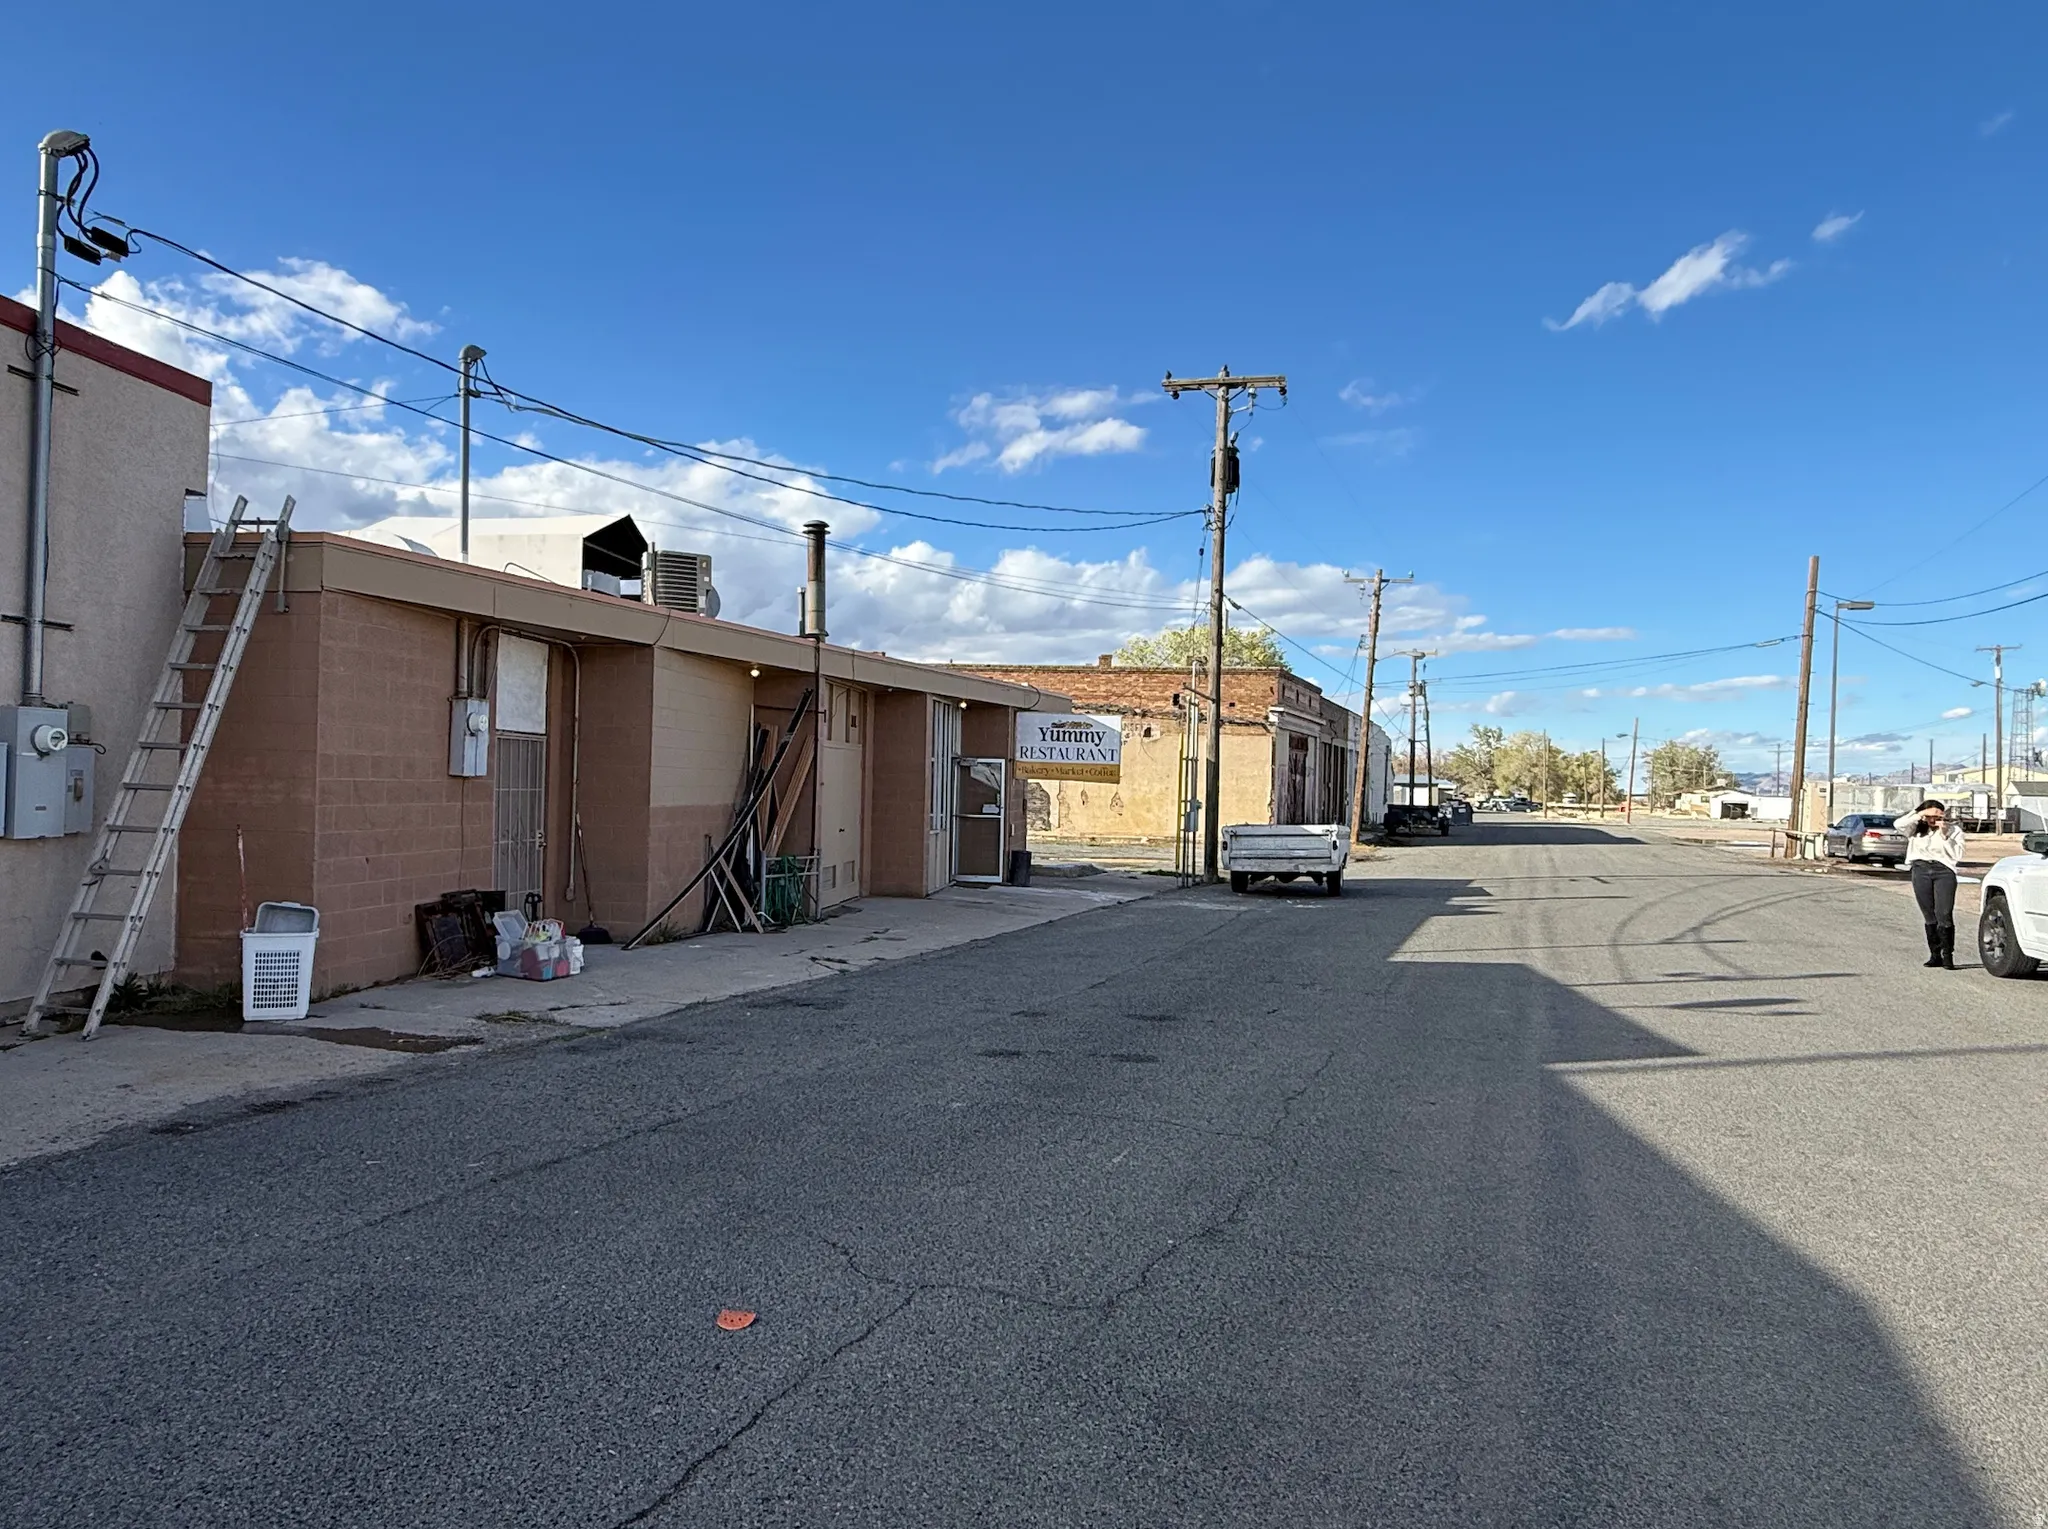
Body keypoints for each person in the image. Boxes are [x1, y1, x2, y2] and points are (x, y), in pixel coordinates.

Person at [1897, 799, 1965, 969]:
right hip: (1920, 870)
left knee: (1944, 913)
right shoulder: (1915, 829)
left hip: (1944, 871)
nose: (1933, 820)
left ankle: (1947, 955)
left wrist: (1945, 835)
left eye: (1938, 816)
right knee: (1929, 914)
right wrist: (1919, 814)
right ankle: (1935, 955)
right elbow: (1898, 824)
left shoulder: (1954, 830)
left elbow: (1957, 855)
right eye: (1929, 817)